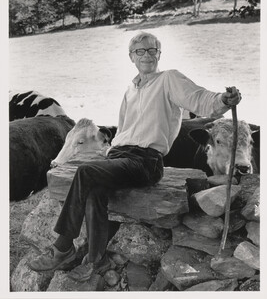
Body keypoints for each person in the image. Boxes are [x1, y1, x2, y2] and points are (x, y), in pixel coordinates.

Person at [28, 32, 241, 281]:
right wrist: (108, 155)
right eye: (140, 51)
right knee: (94, 190)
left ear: (159, 54)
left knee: (85, 172)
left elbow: (200, 98)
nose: (147, 55)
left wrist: (223, 100)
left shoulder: (168, 79)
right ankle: (97, 259)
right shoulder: (130, 90)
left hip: (145, 161)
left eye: (152, 50)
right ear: (131, 57)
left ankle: (62, 247)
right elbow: (123, 130)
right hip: (119, 156)